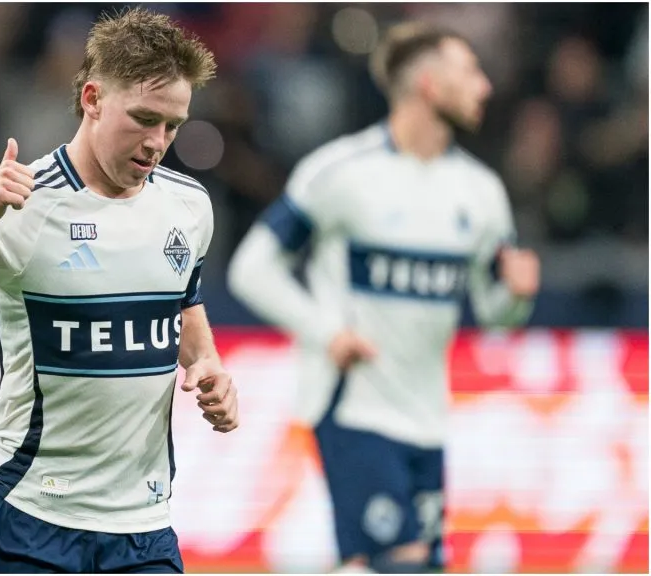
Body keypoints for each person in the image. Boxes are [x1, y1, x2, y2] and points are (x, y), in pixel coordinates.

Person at [0, 8, 238, 574]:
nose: (158, 143)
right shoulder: (20, 202)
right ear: (94, 98)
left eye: (172, 125)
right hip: (31, 512)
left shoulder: (188, 206)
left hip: (142, 526)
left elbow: (183, 298)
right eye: (145, 118)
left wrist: (208, 366)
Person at [227, 22, 540, 574]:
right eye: (469, 71)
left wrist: (515, 296)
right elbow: (252, 268)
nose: (485, 86)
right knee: (402, 564)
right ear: (427, 84)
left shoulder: (482, 193)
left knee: (385, 565)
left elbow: (496, 317)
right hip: (354, 407)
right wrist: (328, 333)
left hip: (428, 418)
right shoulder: (342, 172)